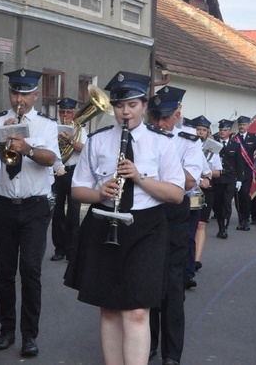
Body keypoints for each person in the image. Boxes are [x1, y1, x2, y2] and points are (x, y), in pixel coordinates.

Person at [65, 71, 184, 365]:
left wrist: (140, 177)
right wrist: (100, 193)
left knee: (137, 310)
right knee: (108, 308)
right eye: (120, 106)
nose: (125, 112)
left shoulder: (162, 143)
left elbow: (176, 194)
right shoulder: (98, 141)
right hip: (105, 222)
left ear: (144, 106)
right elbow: (77, 189)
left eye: (132, 105)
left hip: (146, 229)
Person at [0, 68, 59, 358]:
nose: (20, 99)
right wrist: (1, 146)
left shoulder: (45, 125)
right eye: (15, 93)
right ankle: (6, 330)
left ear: (35, 95)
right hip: (3, 204)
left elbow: (51, 158)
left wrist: (26, 149)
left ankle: (29, 336)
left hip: (34, 206)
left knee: (30, 270)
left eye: (25, 94)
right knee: (4, 273)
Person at [147, 86, 203, 365]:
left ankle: (172, 353)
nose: (159, 124)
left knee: (172, 284)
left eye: (165, 117)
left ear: (178, 114)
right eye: (155, 117)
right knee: (145, 280)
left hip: (174, 213)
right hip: (148, 210)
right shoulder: (143, 137)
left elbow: (190, 181)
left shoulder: (189, 141)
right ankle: (148, 342)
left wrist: (160, 161)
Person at [50, 97, 86, 262]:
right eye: (62, 112)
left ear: (74, 112)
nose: (65, 115)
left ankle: (73, 250)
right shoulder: (52, 128)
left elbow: (86, 150)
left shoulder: (80, 129)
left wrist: (70, 141)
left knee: (73, 211)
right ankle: (59, 249)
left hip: (73, 171)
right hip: (57, 171)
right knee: (57, 211)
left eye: (69, 112)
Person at [193, 116, 221, 278]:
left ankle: (196, 258)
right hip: (189, 186)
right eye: (198, 129)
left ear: (208, 132)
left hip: (206, 188)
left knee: (200, 224)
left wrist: (207, 174)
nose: (200, 133)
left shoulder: (212, 148)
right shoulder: (188, 143)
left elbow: (218, 170)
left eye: (203, 130)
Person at [211, 119, 244, 239]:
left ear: (230, 131)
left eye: (224, 130)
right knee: (217, 204)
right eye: (220, 130)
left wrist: (240, 179)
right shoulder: (214, 144)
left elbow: (239, 163)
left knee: (226, 203)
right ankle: (220, 226)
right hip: (217, 178)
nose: (222, 132)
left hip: (230, 178)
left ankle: (224, 228)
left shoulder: (235, 146)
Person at [233, 115, 256, 230]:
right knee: (238, 196)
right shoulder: (235, 139)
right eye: (240, 125)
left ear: (248, 126)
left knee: (244, 195)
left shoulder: (253, 137)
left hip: (248, 171)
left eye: (244, 124)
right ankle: (241, 219)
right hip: (237, 172)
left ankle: (246, 219)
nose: (242, 127)